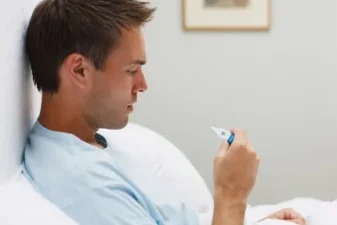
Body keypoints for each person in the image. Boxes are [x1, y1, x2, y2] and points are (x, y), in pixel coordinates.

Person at [22, 0, 305, 225]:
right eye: (131, 70)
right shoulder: (83, 186)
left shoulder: (85, 144)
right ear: (79, 70)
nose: (142, 85)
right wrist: (232, 195)